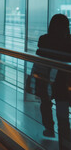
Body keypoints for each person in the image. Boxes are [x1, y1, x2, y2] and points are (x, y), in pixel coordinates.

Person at [34, 14, 71, 150]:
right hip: (63, 83)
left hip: (46, 79)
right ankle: (65, 144)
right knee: (63, 115)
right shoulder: (69, 41)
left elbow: (40, 57)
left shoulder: (44, 39)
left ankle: (49, 127)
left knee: (45, 103)